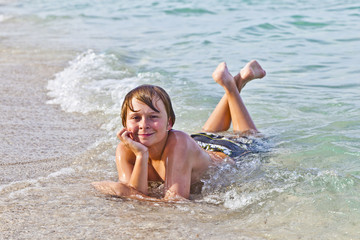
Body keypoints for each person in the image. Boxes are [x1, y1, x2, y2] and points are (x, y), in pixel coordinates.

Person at [92, 60, 266, 201]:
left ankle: (232, 85)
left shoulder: (178, 142)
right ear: (125, 123)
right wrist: (141, 155)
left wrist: (121, 190)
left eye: (153, 117)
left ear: (169, 123)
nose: (144, 124)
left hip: (230, 152)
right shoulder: (125, 150)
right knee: (207, 131)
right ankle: (233, 82)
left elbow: (175, 202)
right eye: (136, 118)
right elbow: (133, 193)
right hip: (198, 144)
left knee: (249, 136)